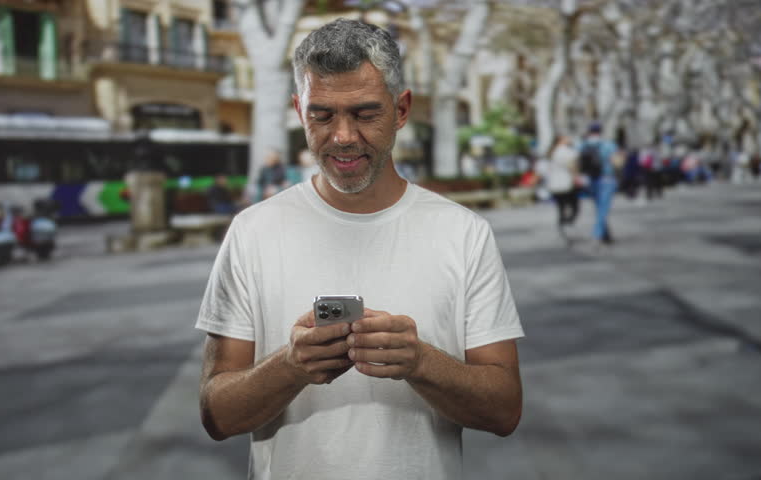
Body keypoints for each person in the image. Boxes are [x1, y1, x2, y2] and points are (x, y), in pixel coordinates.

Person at [197, 18, 523, 480]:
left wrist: (421, 361)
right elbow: (217, 415)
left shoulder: (464, 233)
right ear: (298, 110)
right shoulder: (252, 232)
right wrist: (290, 365)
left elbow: (506, 409)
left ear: (402, 108)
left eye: (366, 113)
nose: (344, 136)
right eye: (322, 115)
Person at [579, 123, 618, 246]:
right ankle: (597, 235)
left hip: (591, 180)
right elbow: (617, 162)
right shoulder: (608, 145)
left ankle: (606, 234)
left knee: (599, 208)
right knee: (603, 208)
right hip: (606, 178)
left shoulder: (583, 145)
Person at [546, 134, 580, 240]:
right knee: (574, 206)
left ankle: (562, 225)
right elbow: (572, 165)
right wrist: (576, 177)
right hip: (566, 183)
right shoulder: (566, 151)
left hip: (554, 184)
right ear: (561, 140)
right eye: (566, 138)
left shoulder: (552, 152)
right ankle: (567, 224)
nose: (568, 139)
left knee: (561, 207)